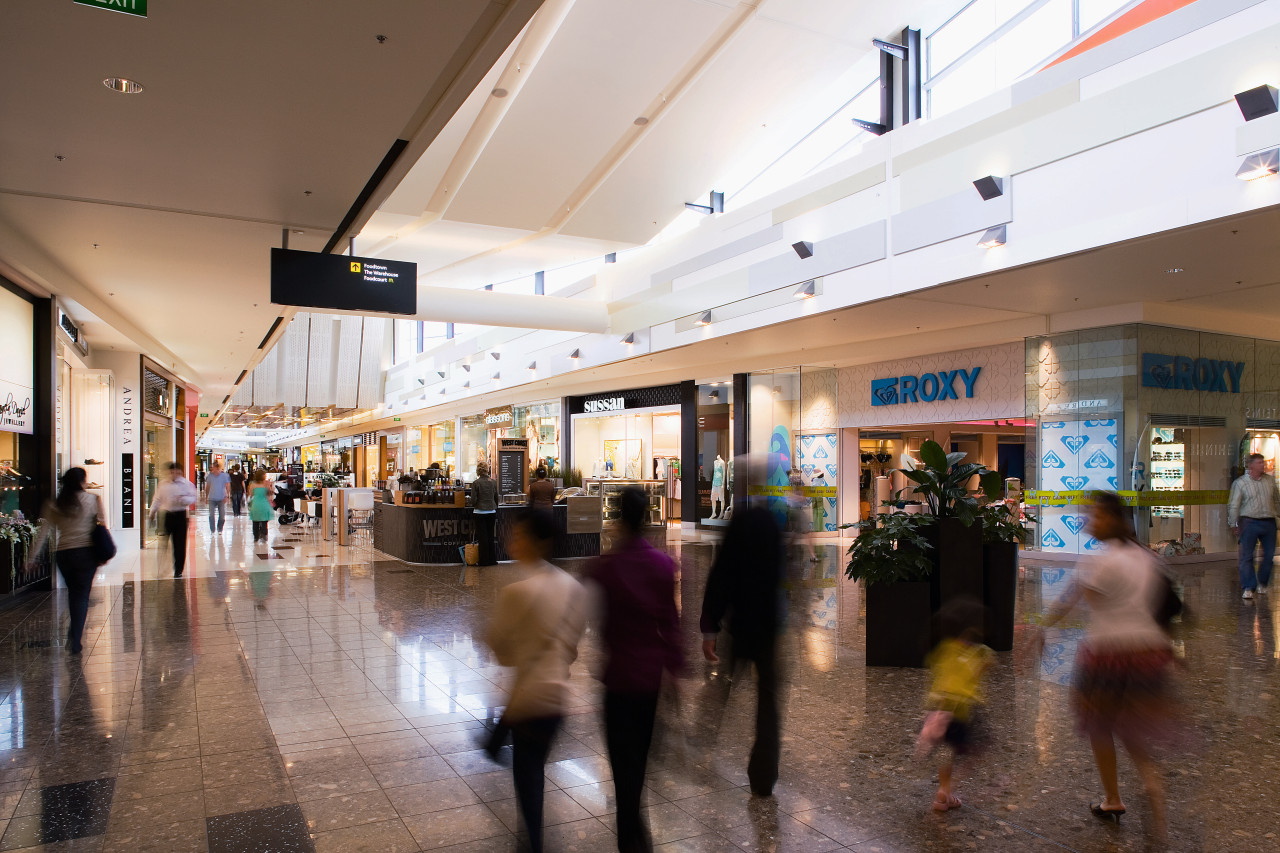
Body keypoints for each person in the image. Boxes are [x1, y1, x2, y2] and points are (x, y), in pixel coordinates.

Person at [1035, 491, 1177, 845]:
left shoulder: (1100, 562)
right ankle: (1149, 781)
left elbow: (1068, 602)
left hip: (1107, 654)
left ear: (1112, 520)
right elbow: (1166, 608)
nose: (1088, 521)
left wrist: (1039, 630)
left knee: (1099, 724)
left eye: (1094, 515)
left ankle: (1113, 797)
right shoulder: (1146, 558)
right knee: (1130, 726)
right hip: (1148, 653)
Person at [586, 487, 683, 853]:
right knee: (640, 757)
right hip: (649, 678)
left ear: (618, 516)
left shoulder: (605, 567)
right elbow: (670, 623)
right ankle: (636, 830)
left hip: (617, 678)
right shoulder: (661, 564)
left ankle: (630, 832)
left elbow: (582, 611)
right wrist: (676, 668)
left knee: (620, 758)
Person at [484, 509, 586, 853]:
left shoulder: (516, 593)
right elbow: (571, 650)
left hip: (527, 702)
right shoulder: (572, 588)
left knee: (528, 783)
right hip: (557, 700)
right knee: (533, 773)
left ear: (539, 543)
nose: (513, 540)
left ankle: (532, 844)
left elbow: (502, 655)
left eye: (520, 534)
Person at [700, 504, 785, 797]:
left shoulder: (740, 524)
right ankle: (764, 774)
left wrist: (710, 626)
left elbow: (721, 576)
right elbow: (782, 577)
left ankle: (702, 747)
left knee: (721, 691)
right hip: (768, 626)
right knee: (768, 701)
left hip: (740, 625)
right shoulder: (772, 524)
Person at [916, 597, 992, 813]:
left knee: (946, 753)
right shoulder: (979, 653)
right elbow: (979, 672)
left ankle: (944, 794)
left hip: (937, 710)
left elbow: (934, 667)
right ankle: (946, 790)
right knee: (976, 752)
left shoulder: (945, 648)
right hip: (962, 712)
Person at [28, 468, 106, 653]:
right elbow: (102, 525)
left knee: (74, 593)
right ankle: (75, 638)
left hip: (64, 554)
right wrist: (103, 553)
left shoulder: (55, 504)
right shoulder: (93, 499)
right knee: (81, 595)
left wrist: (31, 557)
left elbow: (43, 533)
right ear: (82, 482)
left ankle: (74, 632)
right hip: (86, 553)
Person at [1228, 452, 1280, 600]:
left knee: (1269, 555)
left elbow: (1277, 500)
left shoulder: (1269, 481)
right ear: (1251, 465)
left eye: (1263, 463)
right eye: (1259, 463)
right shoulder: (1240, 483)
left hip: (1268, 521)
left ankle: (1262, 582)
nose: (1263, 465)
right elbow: (1234, 505)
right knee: (1246, 556)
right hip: (1249, 521)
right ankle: (1248, 587)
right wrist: (1233, 523)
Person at [148, 463, 198, 578]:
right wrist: (152, 512)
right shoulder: (163, 484)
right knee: (163, 543)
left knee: (180, 544)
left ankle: (178, 570)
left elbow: (193, 497)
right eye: (172, 472)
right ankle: (161, 568)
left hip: (180, 515)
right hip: (167, 516)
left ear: (180, 472)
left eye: (176, 472)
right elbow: (157, 499)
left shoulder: (186, 484)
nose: (174, 474)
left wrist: (183, 499)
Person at [472, 462, 499, 566]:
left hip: (479, 512)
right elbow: (496, 497)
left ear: (478, 470)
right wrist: (495, 506)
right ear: (487, 470)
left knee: (482, 537)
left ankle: (483, 561)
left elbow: (474, 500)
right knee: (490, 536)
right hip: (491, 511)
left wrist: (474, 504)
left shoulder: (476, 483)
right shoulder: (493, 482)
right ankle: (492, 560)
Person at [248, 469, 274, 545]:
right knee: (264, 521)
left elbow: (251, 494)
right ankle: (264, 534)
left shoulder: (252, 484)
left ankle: (256, 536)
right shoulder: (266, 484)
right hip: (264, 504)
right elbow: (270, 494)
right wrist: (270, 486)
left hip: (256, 504)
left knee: (255, 521)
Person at [204, 460, 230, 534]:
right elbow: (207, 487)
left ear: (218, 468)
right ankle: (212, 529)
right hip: (212, 498)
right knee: (211, 515)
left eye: (215, 468)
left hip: (221, 498)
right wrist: (206, 497)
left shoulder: (224, 476)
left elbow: (227, 485)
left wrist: (227, 496)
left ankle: (220, 528)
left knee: (222, 515)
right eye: (213, 468)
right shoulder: (210, 476)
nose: (214, 470)